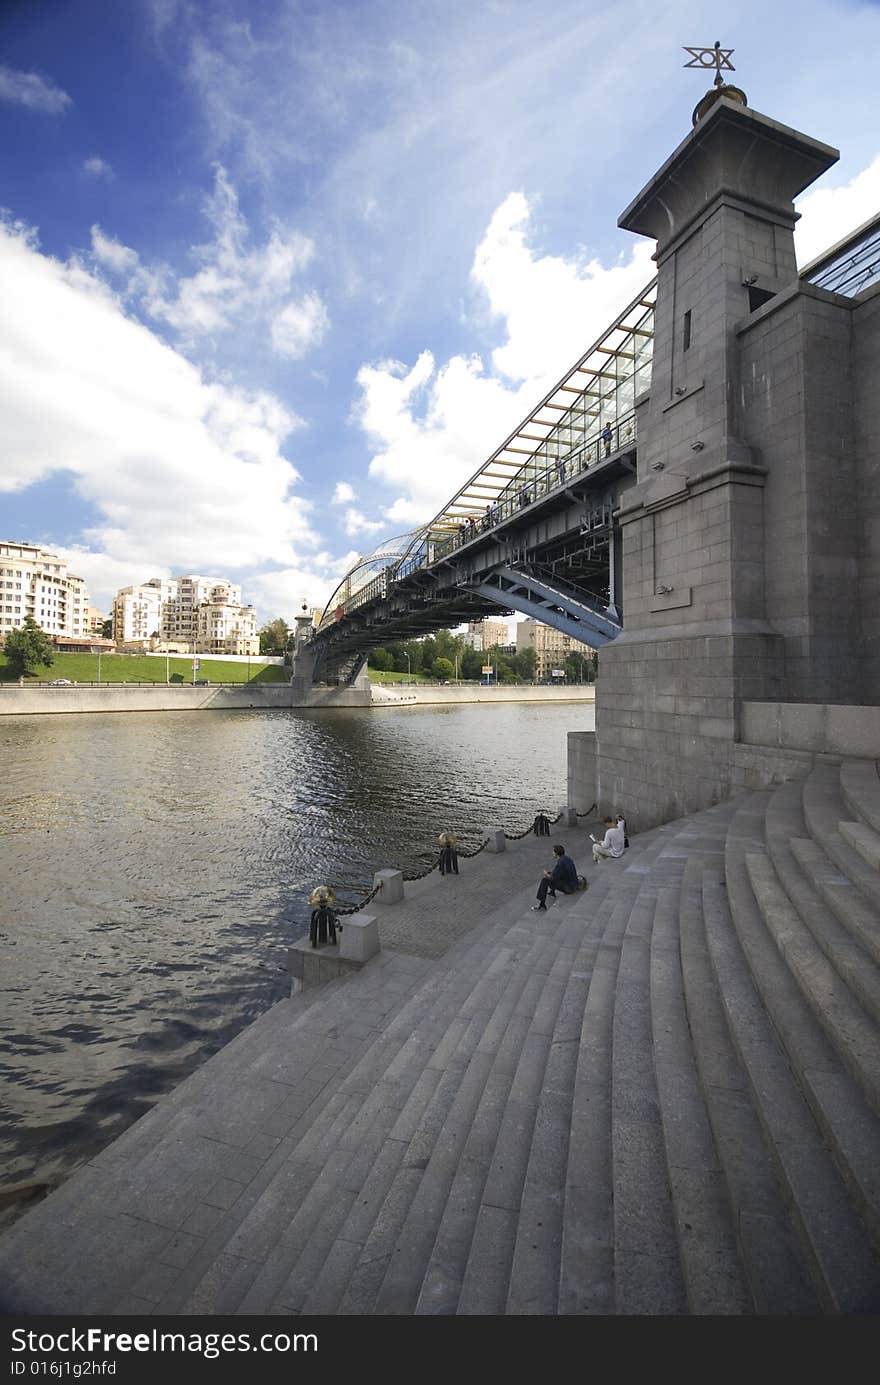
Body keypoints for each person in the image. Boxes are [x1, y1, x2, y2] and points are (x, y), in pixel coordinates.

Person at [532, 843, 580, 911]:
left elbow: (553, 878)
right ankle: (552, 892)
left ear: (556, 853)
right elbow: (558, 874)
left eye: (553, 851)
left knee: (545, 880)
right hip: (573, 884)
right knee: (552, 874)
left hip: (569, 888)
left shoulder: (560, 863)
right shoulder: (567, 859)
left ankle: (541, 904)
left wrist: (546, 874)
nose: (552, 853)